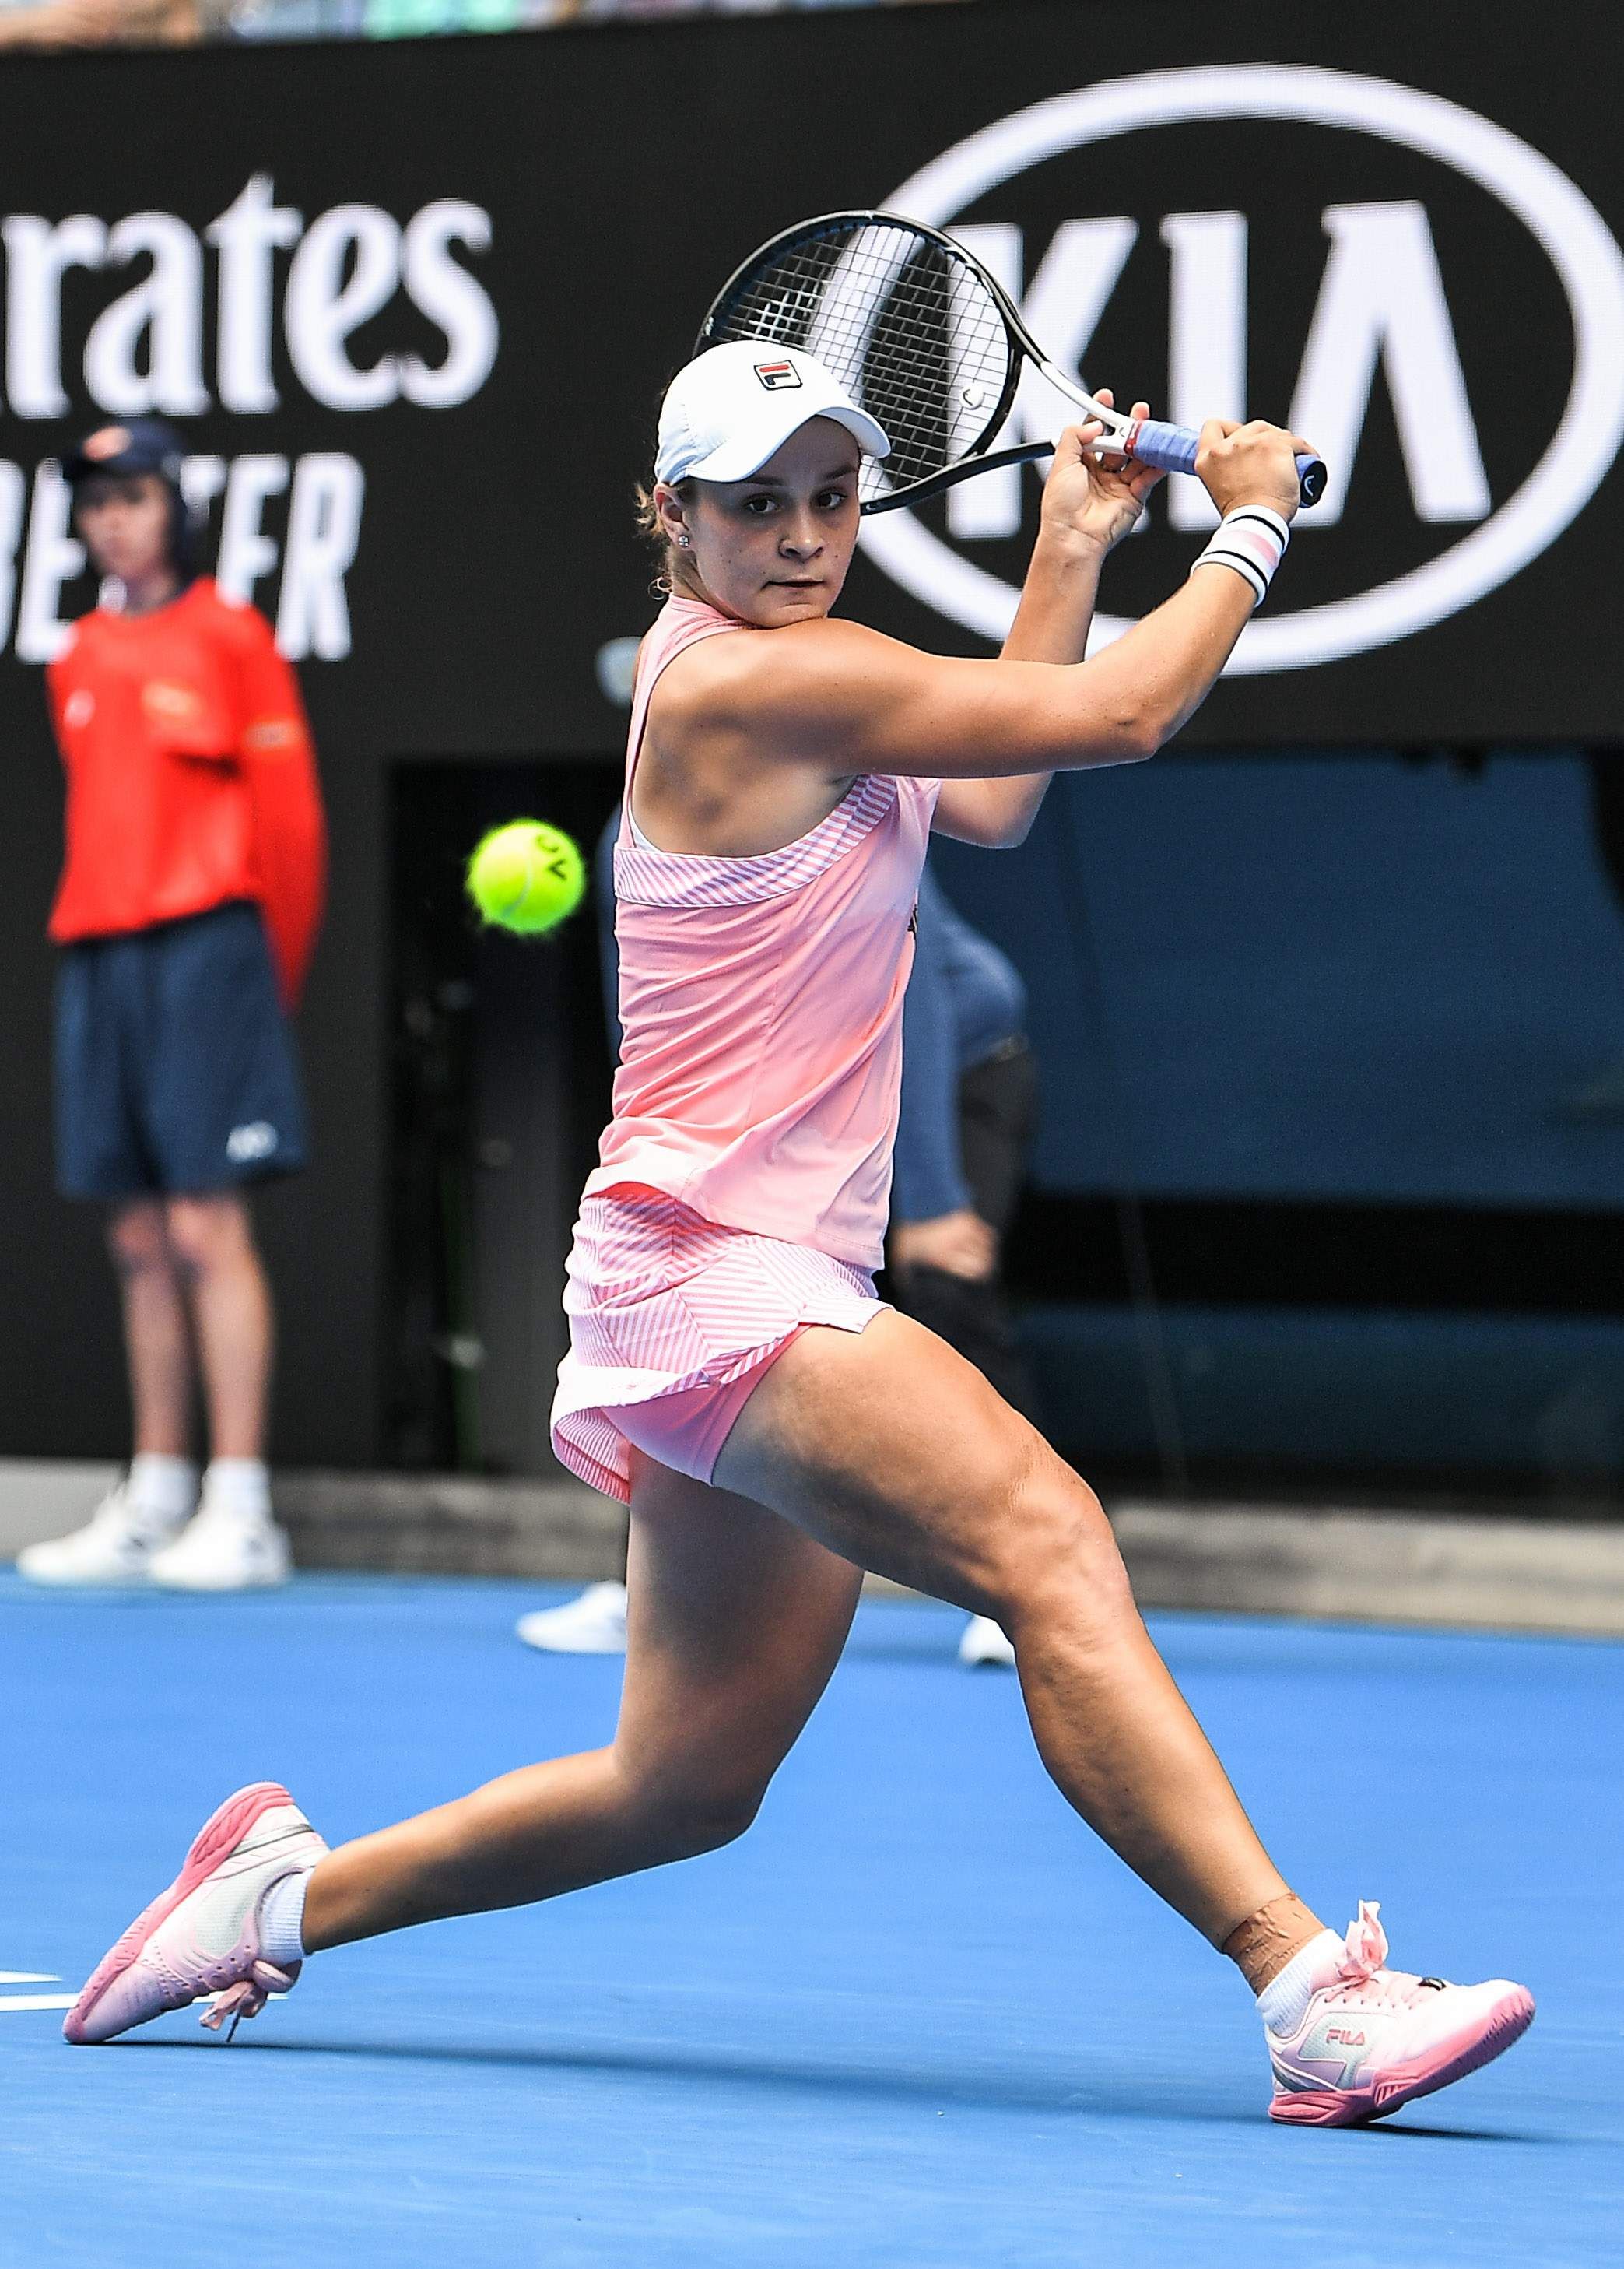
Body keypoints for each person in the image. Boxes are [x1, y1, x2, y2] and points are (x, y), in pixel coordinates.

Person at [61, 349, 1532, 2129]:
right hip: (714, 1270)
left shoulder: (819, 683)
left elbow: (996, 794)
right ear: (670, 514)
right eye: (755, 504)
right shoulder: (750, 685)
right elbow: (1123, 717)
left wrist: (1070, 544)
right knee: (1048, 1543)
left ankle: (273, 1901)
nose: (803, 535)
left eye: (832, 497)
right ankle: (1309, 1993)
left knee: (680, 1785)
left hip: (719, 1276)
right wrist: (1248, 528)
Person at [17, 419, 325, 1593]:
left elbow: (291, 823)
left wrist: (264, 975)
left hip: (211, 949)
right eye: (96, 502)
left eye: (133, 497)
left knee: (204, 1227)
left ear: (174, 511)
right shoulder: (79, 653)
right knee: (139, 1236)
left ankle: (241, 1507)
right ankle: (155, 1493)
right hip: (100, 950)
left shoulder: (233, 635)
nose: (112, 520)